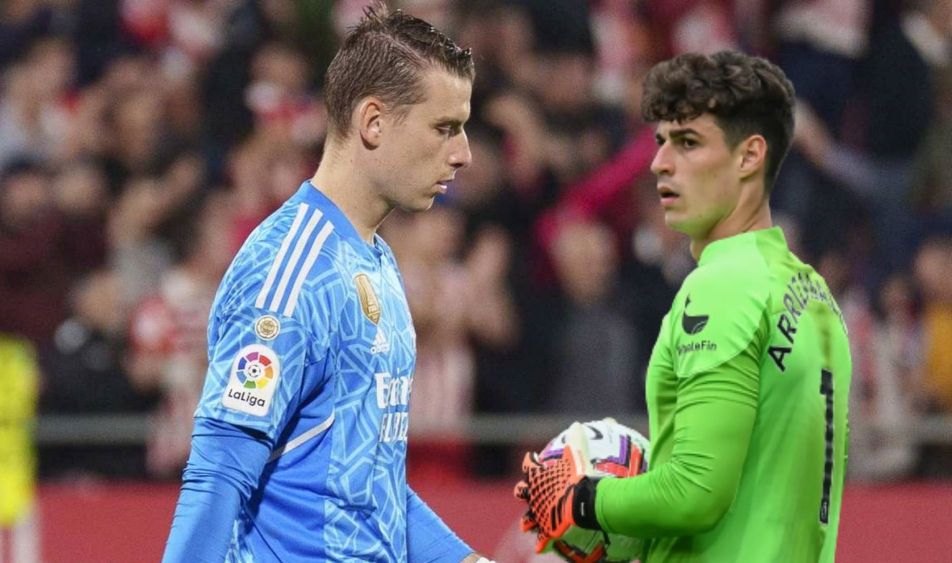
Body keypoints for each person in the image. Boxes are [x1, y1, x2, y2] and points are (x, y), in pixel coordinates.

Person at [162, 4, 492, 562]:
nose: (463, 154)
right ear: (373, 122)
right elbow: (218, 475)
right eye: (444, 128)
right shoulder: (288, 273)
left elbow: (371, 486)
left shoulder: (375, 260)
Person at [515, 51, 852, 562]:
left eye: (688, 143)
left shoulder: (722, 287)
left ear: (749, 156)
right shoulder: (814, 295)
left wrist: (579, 498)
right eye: (661, 142)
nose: (659, 164)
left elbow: (695, 492)